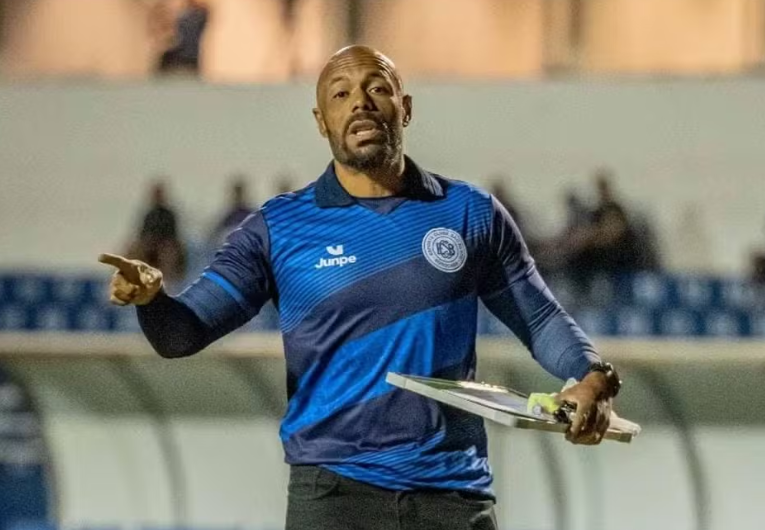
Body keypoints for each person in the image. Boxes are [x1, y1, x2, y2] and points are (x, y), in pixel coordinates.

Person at [99, 46, 621, 530]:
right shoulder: (277, 229)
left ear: (405, 107)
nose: (360, 103)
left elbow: (541, 319)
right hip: (333, 498)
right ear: (321, 121)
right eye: (341, 93)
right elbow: (181, 335)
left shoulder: (470, 213)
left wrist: (594, 376)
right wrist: (151, 300)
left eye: (377, 87)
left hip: (453, 497)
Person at [126, 180, 186, 284]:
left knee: (167, 253)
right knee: (134, 250)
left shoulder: (168, 214)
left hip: (165, 244)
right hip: (150, 243)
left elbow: (172, 233)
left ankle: (167, 280)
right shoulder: (149, 214)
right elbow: (143, 233)